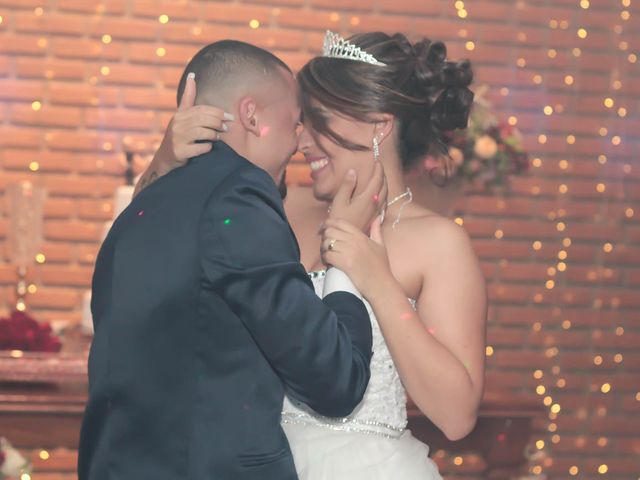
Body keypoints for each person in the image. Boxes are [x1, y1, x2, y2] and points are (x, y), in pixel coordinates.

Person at [140, 31, 487, 479]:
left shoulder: (438, 243)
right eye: (301, 121)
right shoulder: (276, 208)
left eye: (317, 120)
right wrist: (166, 162)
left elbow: (456, 417)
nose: (301, 140)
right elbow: (148, 242)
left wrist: (378, 282)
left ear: (379, 124)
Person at [78, 39, 393, 480]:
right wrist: (344, 249)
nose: (301, 138)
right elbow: (335, 380)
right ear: (251, 115)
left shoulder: (140, 208)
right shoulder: (240, 196)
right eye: (296, 121)